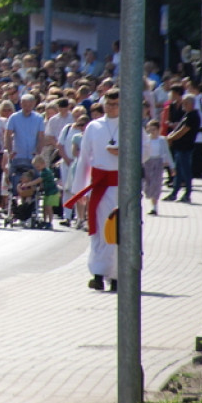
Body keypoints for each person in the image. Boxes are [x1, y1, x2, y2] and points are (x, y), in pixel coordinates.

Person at [66, 89, 129, 291]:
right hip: (100, 186)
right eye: (109, 104)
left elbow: (145, 151)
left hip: (122, 187)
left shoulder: (130, 125)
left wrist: (124, 152)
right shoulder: (94, 127)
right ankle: (99, 273)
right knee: (102, 231)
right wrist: (80, 190)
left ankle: (118, 275)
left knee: (120, 232)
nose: (112, 108)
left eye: (116, 104)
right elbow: (84, 158)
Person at [164, 94, 200, 203]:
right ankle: (174, 193)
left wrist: (170, 138)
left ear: (191, 104)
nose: (183, 105)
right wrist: (169, 137)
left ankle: (187, 194)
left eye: (185, 103)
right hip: (179, 148)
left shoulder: (193, 116)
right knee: (178, 172)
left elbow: (183, 131)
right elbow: (177, 128)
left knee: (186, 172)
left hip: (185, 148)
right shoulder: (187, 114)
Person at [19, 154, 60, 228]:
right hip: (47, 192)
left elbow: (38, 180)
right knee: (44, 207)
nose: (37, 168)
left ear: (43, 164)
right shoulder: (42, 171)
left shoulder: (46, 172)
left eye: (38, 166)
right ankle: (45, 221)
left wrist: (28, 184)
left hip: (52, 192)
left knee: (49, 207)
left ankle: (50, 222)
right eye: (36, 167)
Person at [143, 119, 174, 216]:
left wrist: (172, 167)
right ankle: (149, 195)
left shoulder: (162, 140)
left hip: (158, 163)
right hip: (147, 162)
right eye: (150, 129)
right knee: (148, 185)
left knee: (156, 184)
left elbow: (167, 153)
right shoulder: (146, 140)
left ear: (158, 129)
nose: (152, 132)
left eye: (154, 129)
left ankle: (154, 208)